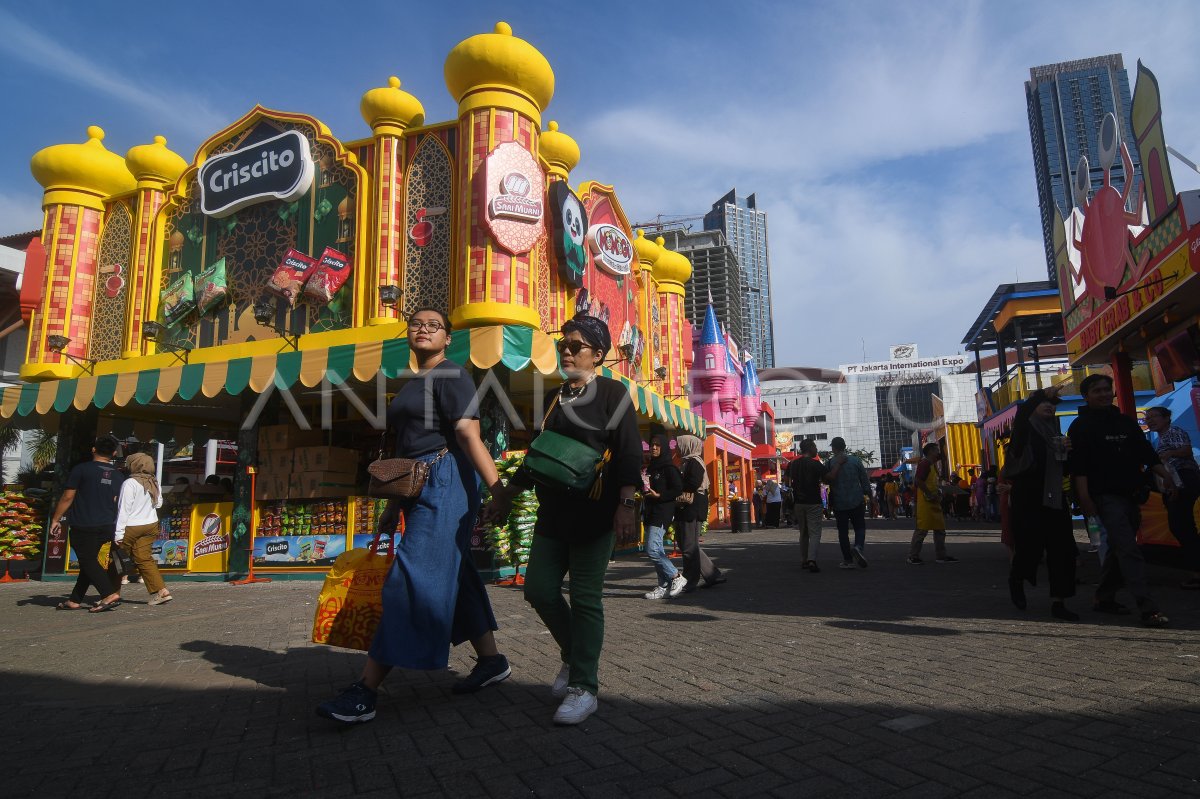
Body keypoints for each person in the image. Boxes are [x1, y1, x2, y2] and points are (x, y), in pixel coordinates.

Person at [317, 308, 511, 725]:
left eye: (433, 325)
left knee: (412, 578)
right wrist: (393, 505)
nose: (422, 329)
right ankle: (492, 661)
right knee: (454, 574)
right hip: (420, 482)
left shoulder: (452, 375)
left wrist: (498, 489)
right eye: (416, 324)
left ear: (447, 338)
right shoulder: (415, 381)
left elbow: (467, 434)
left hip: (447, 481)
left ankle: (366, 690)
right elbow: (407, 448)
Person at [491, 314, 641, 726]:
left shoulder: (614, 393)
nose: (569, 351)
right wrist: (507, 493)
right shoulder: (556, 398)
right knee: (538, 590)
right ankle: (574, 658)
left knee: (586, 599)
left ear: (598, 353)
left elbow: (629, 451)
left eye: (577, 345)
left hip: (595, 513)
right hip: (553, 512)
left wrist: (626, 504)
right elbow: (542, 455)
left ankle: (584, 687)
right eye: (565, 345)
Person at [1069, 374, 1173, 627]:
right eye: (1097, 391)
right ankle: (1148, 608)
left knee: (1118, 548)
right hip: (1104, 496)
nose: (1104, 394)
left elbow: (1145, 451)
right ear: (1086, 396)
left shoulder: (1125, 422)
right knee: (1129, 548)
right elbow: (1078, 466)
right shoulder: (1080, 426)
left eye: (1107, 389)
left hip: (1132, 494)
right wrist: (1084, 498)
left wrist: (1167, 477)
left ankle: (1104, 597)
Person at [1004, 384, 1078, 620]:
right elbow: (1023, 414)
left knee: (1062, 550)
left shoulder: (1055, 433)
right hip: (1028, 498)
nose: (1049, 407)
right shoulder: (1023, 432)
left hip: (1054, 498)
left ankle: (1059, 602)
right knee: (1029, 550)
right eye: (1044, 404)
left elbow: (1065, 469)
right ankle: (1017, 579)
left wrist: (1068, 452)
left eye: (1052, 405)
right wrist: (1037, 396)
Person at [50, 435, 125, 612]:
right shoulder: (118, 475)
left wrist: (56, 519)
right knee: (88, 561)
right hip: (107, 524)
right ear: (114, 453)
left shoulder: (81, 469)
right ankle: (75, 599)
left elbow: (68, 496)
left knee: (88, 560)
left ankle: (108, 593)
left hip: (84, 523)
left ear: (93, 449)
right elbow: (117, 501)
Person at [1144, 406, 1200, 589]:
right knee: (1182, 525)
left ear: (1167, 418)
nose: (1150, 420)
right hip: (1176, 482)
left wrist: (1169, 454)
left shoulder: (1173, 431)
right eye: (1148, 418)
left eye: (1154, 417)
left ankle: (1196, 570)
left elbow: (1186, 451)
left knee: (1181, 525)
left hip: (1184, 480)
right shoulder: (1160, 438)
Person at [115, 452, 172, 606]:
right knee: (144, 558)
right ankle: (161, 591)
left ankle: (111, 593)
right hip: (151, 524)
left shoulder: (130, 483)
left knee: (116, 559)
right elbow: (158, 504)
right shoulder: (154, 481)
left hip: (131, 526)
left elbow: (123, 510)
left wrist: (118, 534)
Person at [673, 434, 725, 591]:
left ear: (687, 445)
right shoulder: (688, 462)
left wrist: (676, 484)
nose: (676, 447)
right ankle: (713, 575)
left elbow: (693, 483)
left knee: (689, 546)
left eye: (679, 444)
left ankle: (690, 580)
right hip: (689, 507)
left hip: (691, 508)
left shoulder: (694, 462)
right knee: (688, 544)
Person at [641, 435, 686, 600]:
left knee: (652, 549)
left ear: (665, 448)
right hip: (650, 511)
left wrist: (660, 495)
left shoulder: (669, 468)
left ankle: (675, 576)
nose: (653, 448)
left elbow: (678, 489)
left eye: (658, 445)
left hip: (662, 512)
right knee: (657, 550)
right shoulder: (652, 468)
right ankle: (663, 585)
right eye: (652, 445)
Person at [824, 437, 870, 570]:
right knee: (860, 527)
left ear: (833, 448)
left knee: (843, 532)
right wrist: (869, 495)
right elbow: (864, 480)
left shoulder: (830, 463)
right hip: (856, 500)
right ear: (844, 446)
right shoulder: (856, 461)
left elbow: (827, 481)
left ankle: (848, 560)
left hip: (839, 502)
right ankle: (858, 547)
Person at [909, 443, 958, 564]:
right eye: (936, 450)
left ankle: (941, 556)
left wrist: (940, 492)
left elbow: (934, 482)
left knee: (940, 529)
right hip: (925, 502)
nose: (938, 452)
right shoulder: (924, 464)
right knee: (921, 530)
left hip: (934, 501)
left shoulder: (933, 465)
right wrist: (929, 493)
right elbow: (918, 481)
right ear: (931, 451)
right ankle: (913, 556)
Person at [787, 439, 826, 573]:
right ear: (810, 448)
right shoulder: (816, 464)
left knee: (803, 532)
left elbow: (788, 480)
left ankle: (804, 560)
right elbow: (827, 479)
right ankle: (812, 560)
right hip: (813, 501)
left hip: (798, 502)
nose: (816, 449)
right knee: (815, 532)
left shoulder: (793, 464)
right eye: (815, 446)